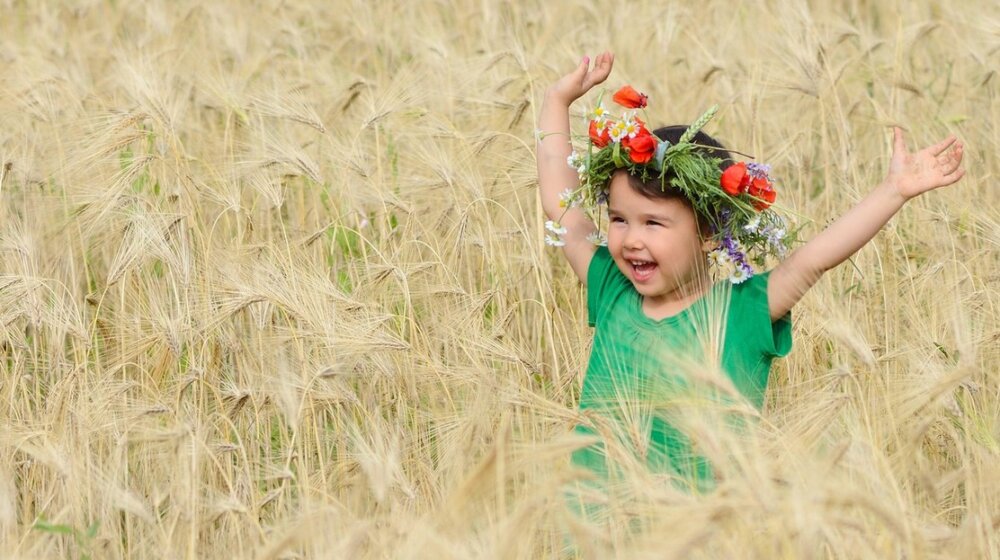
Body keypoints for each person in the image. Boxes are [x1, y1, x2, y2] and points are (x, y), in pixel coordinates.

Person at [535, 52, 966, 501]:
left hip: (703, 535)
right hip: (594, 529)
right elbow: (562, 208)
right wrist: (557, 100)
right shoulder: (612, 290)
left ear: (708, 232)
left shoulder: (743, 312)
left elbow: (812, 260)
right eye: (620, 219)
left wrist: (892, 191)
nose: (629, 240)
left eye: (653, 223)